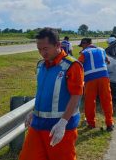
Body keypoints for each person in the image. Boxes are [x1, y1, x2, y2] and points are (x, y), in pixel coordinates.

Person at [19, 28, 84, 160]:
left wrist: (63, 123)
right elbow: (43, 91)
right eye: (39, 49)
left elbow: (76, 96)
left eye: (46, 48)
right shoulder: (41, 65)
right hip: (38, 124)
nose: (42, 53)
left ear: (58, 45)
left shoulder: (72, 66)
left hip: (59, 126)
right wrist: (34, 111)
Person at [78, 38, 114, 131]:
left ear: (85, 44)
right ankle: (109, 123)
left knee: (90, 101)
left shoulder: (84, 53)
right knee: (106, 99)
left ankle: (91, 123)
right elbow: (108, 61)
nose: (82, 48)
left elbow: (78, 65)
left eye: (82, 45)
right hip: (104, 77)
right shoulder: (102, 50)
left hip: (90, 79)